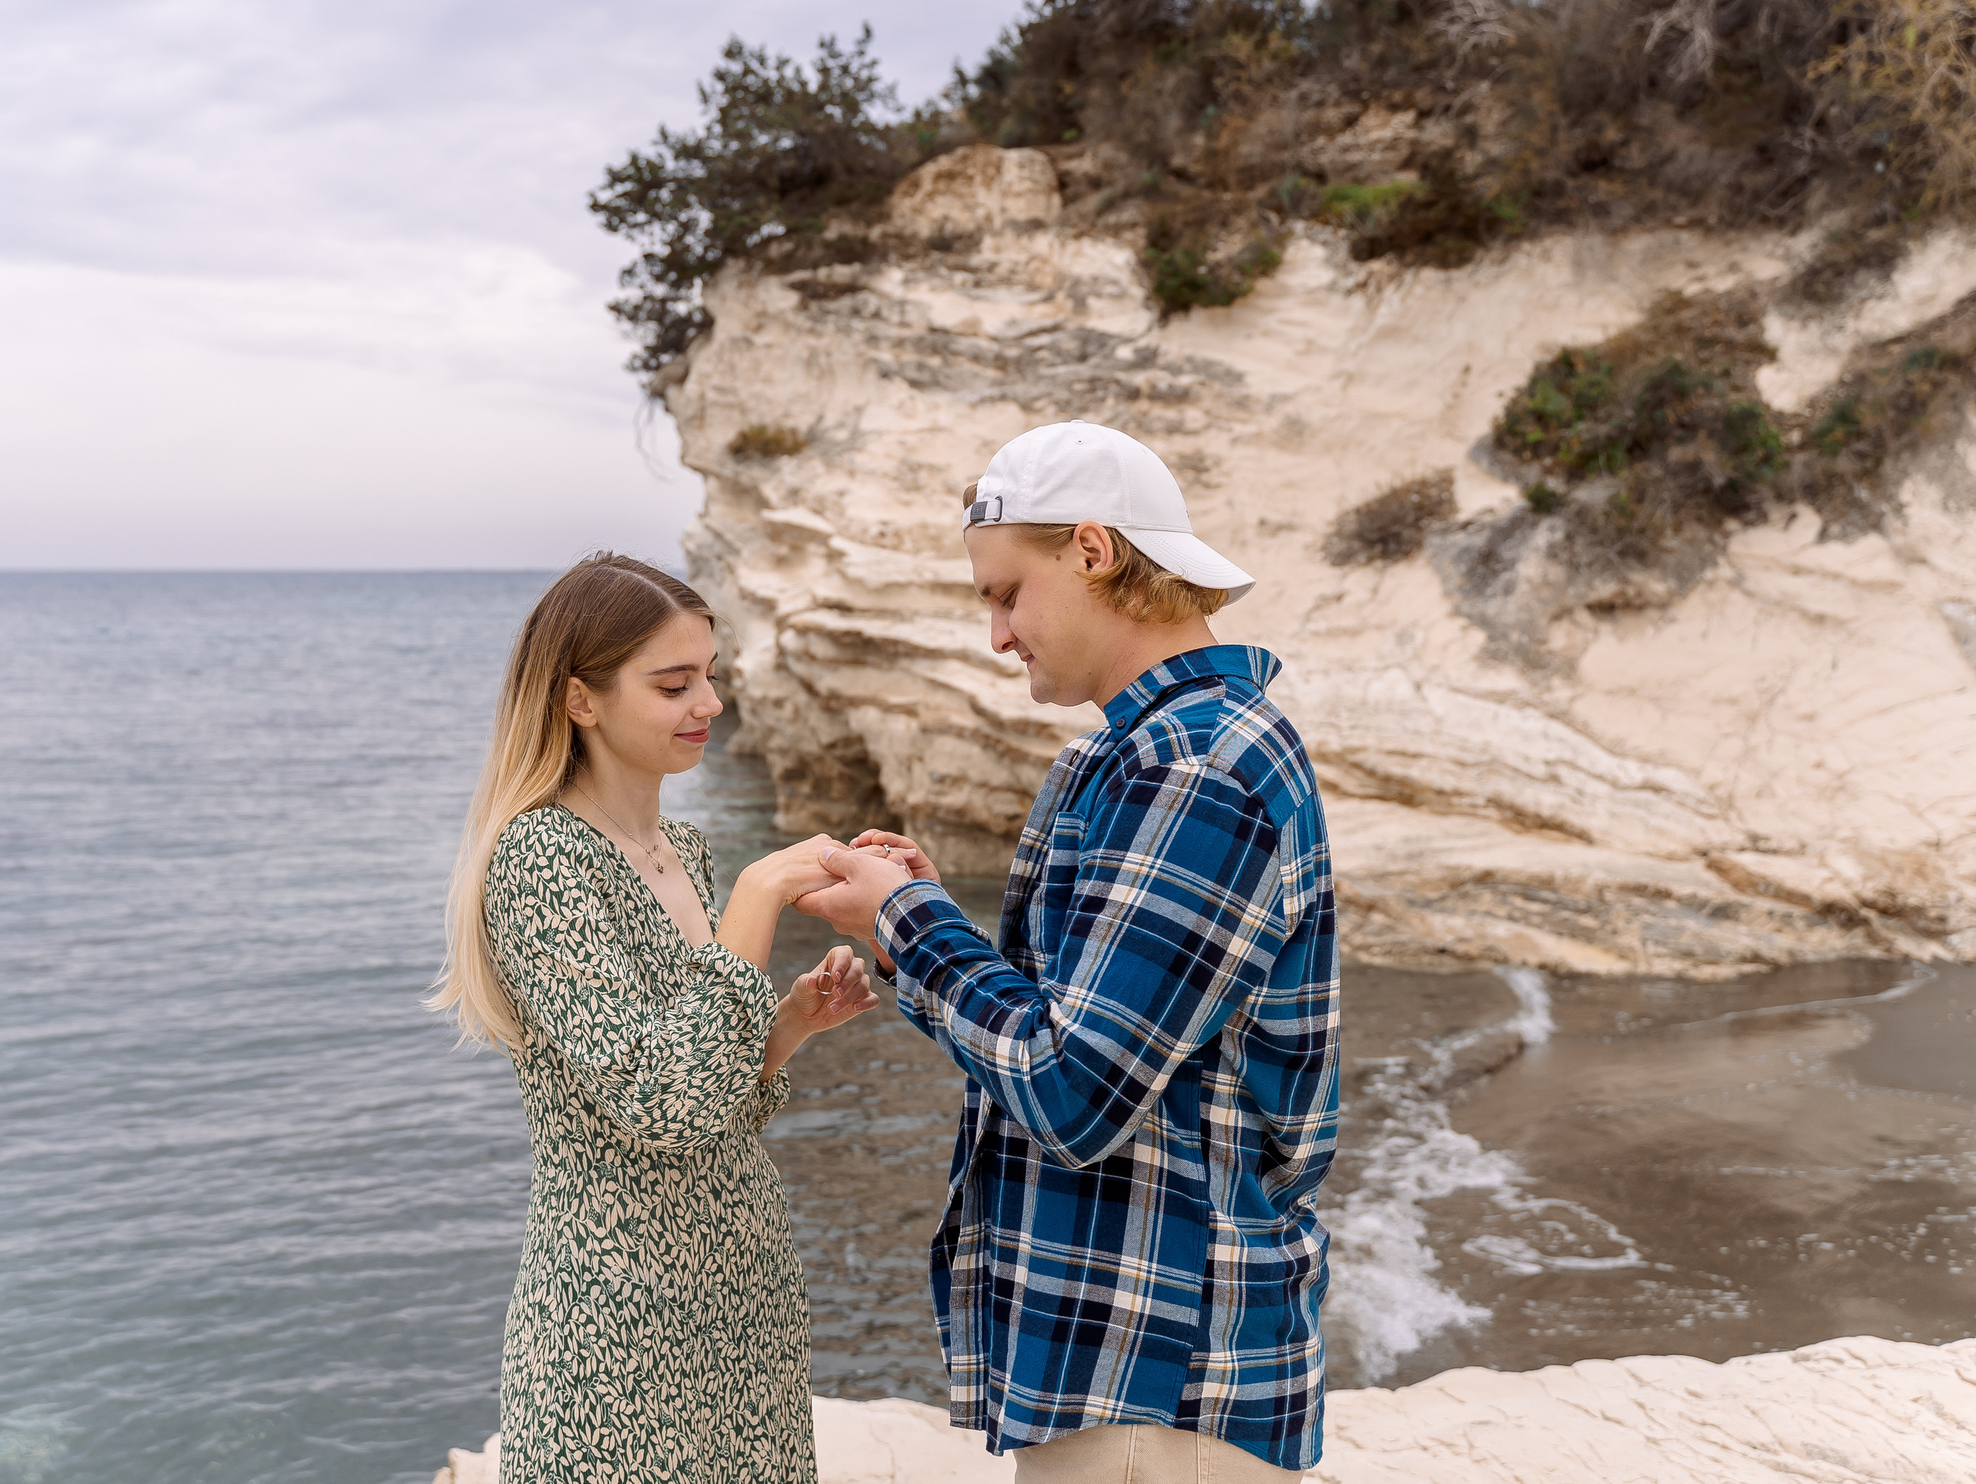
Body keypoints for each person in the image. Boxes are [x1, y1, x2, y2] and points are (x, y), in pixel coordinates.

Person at [795, 421, 1340, 1481]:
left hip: (1160, 1379)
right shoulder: (1140, 752)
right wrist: (917, 923)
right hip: (1136, 1368)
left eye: (1007, 594)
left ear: (1093, 551)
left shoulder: (1192, 768)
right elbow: (1065, 1025)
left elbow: (1072, 1091)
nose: (998, 635)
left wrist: (906, 922)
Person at [431, 552, 880, 1484]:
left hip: (744, 1298)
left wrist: (787, 1028)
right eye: (673, 684)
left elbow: (707, 1098)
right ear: (580, 700)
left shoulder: (684, 848)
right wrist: (760, 895)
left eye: (709, 674)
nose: (708, 702)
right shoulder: (541, 857)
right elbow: (660, 1105)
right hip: (620, 1323)